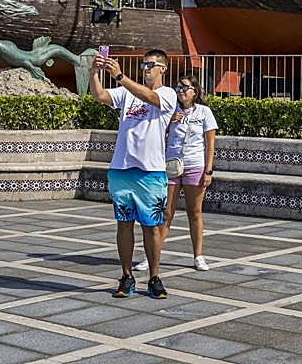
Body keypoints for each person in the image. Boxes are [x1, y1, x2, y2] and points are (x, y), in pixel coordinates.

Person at [91, 48, 177, 300]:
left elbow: (150, 97)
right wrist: (95, 72)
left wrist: (120, 77)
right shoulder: (127, 94)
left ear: (163, 68)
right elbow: (100, 96)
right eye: (143, 65)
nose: (146, 69)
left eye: (150, 65)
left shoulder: (167, 93)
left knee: (152, 227)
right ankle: (127, 275)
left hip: (150, 171)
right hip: (122, 169)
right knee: (124, 224)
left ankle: (154, 276)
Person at [161, 74, 218, 271]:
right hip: (172, 165)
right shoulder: (170, 110)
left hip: (195, 165)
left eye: (185, 88)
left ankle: (198, 255)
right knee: (166, 212)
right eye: (178, 88)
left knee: (194, 213)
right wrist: (168, 121)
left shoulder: (204, 112)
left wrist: (208, 170)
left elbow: (210, 143)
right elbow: (156, 134)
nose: (181, 91)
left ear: (195, 92)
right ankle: (154, 254)